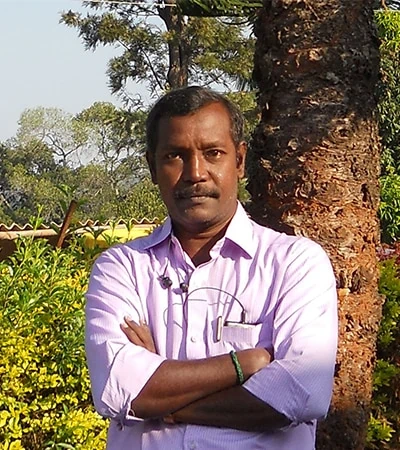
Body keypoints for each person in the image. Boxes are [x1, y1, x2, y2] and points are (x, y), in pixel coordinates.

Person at [85, 86, 338, 450]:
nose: (195, 173)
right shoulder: (122, 269)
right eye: (175, 155)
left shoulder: (294, 264)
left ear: (240, 161)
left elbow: (301, 393)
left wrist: (165, 398)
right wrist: (244, 364)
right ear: (152, 167)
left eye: (213, 153)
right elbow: (118, 388)